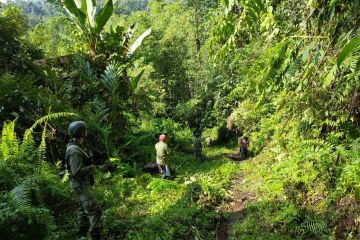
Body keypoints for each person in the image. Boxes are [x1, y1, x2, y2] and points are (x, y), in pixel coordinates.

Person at [65, 121, 102, 240]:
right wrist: (91, 168)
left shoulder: (76, 146)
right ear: (81, 132)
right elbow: (76, 171)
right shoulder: (75, 150)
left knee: (82, 208)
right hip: (81, 184)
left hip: (81, 183)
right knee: (94, 209)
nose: (86, 132)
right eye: (85, 130)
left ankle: (82, 233)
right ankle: (95, 235)